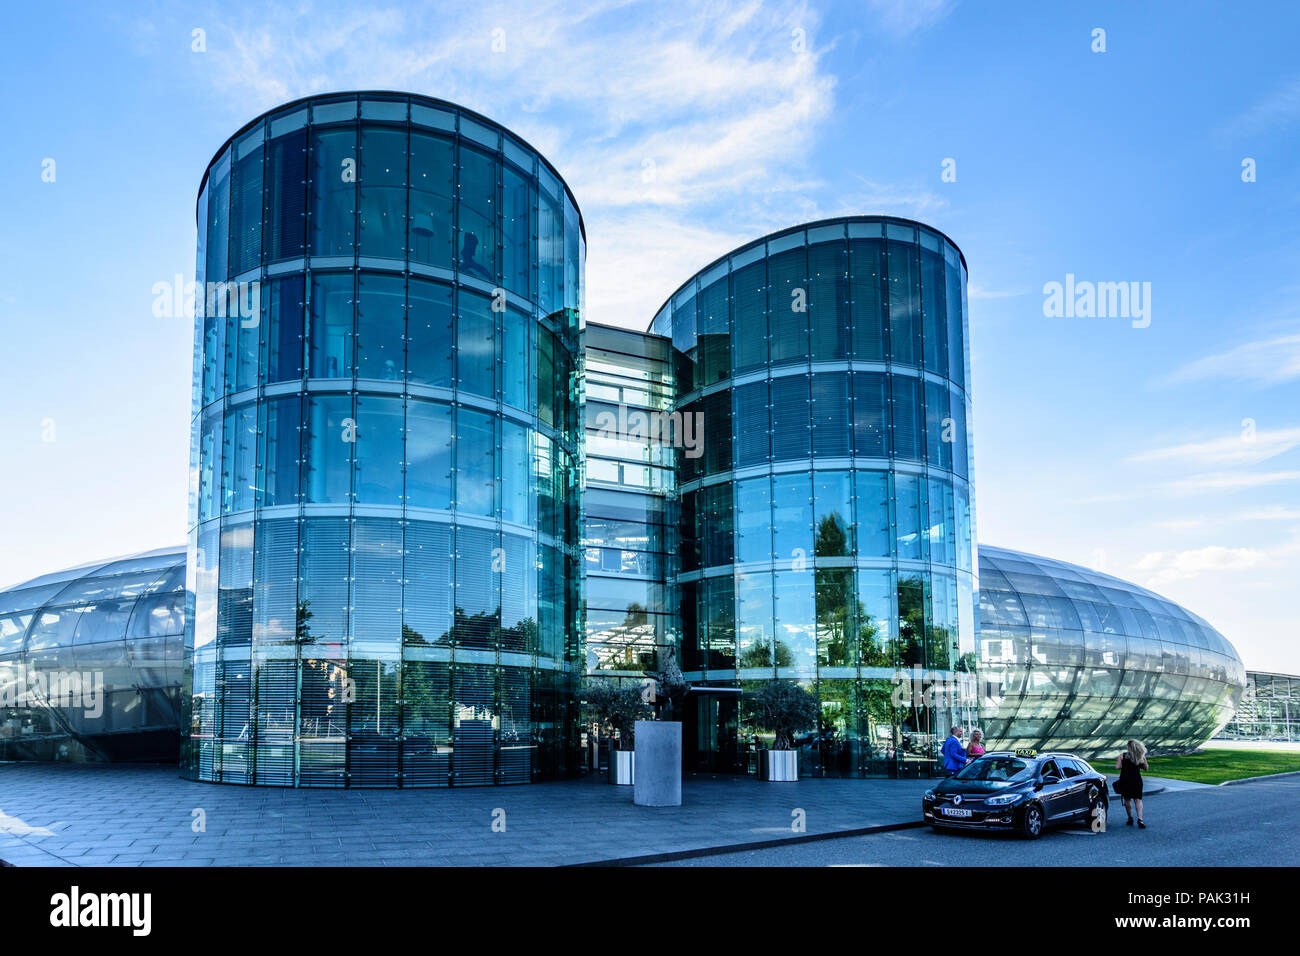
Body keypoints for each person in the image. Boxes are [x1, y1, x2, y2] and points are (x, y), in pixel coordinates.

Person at [1115, 739, 1148, 828]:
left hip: (1125, 780)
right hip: (1136, 780)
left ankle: (1130, 818)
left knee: (1127, 799)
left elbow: (1117, 767)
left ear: (1129, 747)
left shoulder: (1122, 756)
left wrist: (1123, 765)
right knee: (1138, 799)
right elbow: (1146, 768)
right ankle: (1140, 819)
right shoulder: (1141, 756)